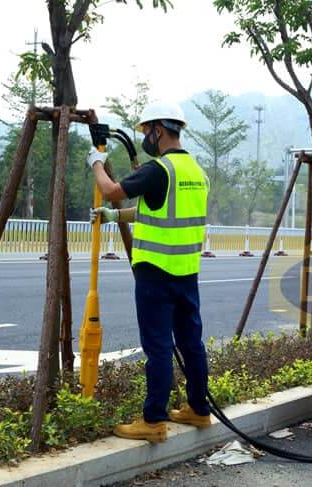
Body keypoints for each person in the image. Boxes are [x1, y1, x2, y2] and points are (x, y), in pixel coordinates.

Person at [86, 101, 211, 443]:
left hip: (155, 273)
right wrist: (115, 217)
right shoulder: (197, 173)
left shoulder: (160, 169)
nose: (144, 138)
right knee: (190, 342)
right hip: (186, 271)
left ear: (158, 129)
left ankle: (153, 421)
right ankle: (199, 410)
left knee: (157, 346)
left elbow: (112, 190)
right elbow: (157, 212)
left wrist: (97, 164)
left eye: (145, 132)